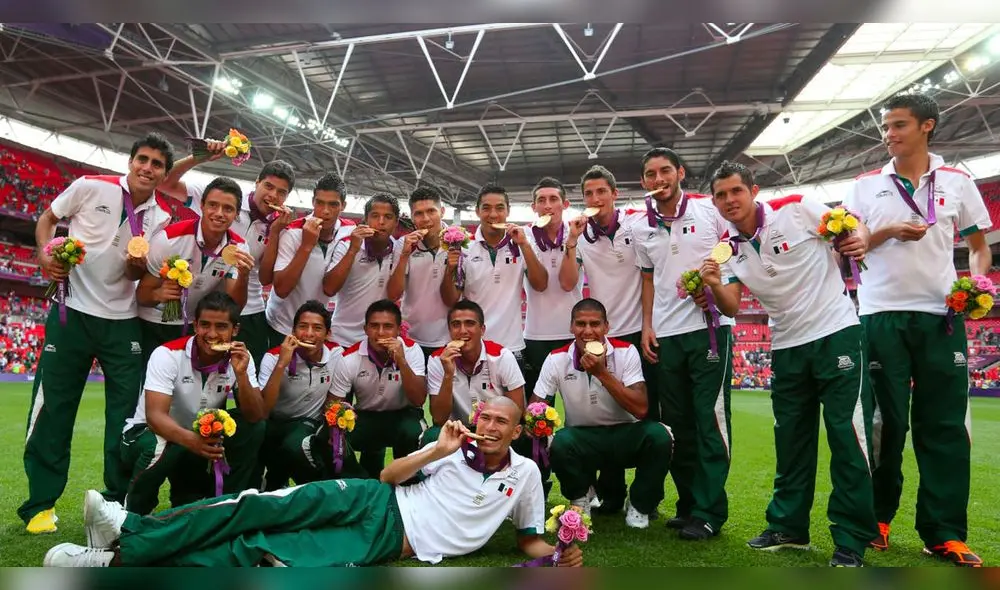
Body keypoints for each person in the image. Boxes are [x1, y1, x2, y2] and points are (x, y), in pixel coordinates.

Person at [42, 398, 583, 568]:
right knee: (256, 505)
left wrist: (556, 557)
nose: (487, 427)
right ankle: (129, 526)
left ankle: (113, 561)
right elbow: (388, 475)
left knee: (262, 554)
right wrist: (437, 450)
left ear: (519, 429)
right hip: (375, 497)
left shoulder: (526, 472)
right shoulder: (451, 448)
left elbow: (528, 538)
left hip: (390, 541)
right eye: (483, 417)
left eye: (499, 423)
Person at [703, 160, 877, 567]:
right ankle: (789, 527)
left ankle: (850, 538)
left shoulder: (798, 207)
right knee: (791, 440)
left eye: (736, 191)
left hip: (836, 332)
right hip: (786, 345)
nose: (729, 201)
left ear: (753, 190)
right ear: (714, 202)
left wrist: (861, 238)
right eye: (721, 195)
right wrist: (713, 283)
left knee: (846, 436)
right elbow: (732, 303)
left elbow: (853, 225)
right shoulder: (726, 248)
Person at [842, 92, 991, 567]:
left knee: (945, 426)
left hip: (941, 316)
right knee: (883, 423)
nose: (889, 135)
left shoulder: (958, 182)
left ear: (927, 126)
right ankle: (876, 520)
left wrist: (979, 284)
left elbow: (979, 247)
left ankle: (944, 532)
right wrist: (888, 232)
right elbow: (849, 244)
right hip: (880, 312)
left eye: (899, 125)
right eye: (886, 127)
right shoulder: (865, 186)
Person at [20, 133, 178, 533]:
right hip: (70, 310)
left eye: (157, 164)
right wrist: (44, 256)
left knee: (125, 416)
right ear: (130, 161)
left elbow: (131, 276)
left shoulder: (161, 219)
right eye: (142, 159)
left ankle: (116, 501)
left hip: (123, 320)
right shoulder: (91, 186)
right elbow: (47, 220)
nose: (147, 167)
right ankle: (41, 505)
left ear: (163, 174)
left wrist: (137, 264)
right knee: (54, 407)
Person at [632, 147, 735, 541]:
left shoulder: (710, 211)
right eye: (650, 174)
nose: (658, 179)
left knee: (710, 423)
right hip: (666, 335)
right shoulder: (642, 226)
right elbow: (647, 279)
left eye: (664, 171)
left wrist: (715, 288)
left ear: (680, 172)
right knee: (678, 427)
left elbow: (732, 254)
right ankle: (689, 504)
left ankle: (709, 512)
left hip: (709, 329)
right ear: (643, 182)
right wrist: (646, 325)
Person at [120, 292, 266, 515]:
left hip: (196, 438)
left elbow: (256, 415)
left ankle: (228, 503)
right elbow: (155, 416)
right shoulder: (167, 354)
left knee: (252, 428)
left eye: (221, 327)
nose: (212, 334)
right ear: (195, 325)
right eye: (205, 325)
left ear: (235, 330)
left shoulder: (240, 358)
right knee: (159, 445)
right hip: (148, 435)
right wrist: (193, 441)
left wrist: (242, 375)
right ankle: (134, 513)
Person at [538, 298, 673, 529]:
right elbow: (536, 407)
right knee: (558, 442)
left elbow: (641, 409)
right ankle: (581, 497)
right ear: (571, 327)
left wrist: (602, 373)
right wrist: (537, 419)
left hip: (625, 435)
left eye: (595, 324)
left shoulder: (626, 351)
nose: (588, 331)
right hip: (582, 438)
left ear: (606, 327)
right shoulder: (556, 358)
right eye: (581, 324)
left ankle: (640, 504)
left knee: (660, 436)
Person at [561, 165, 648, 515]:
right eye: (589, 194)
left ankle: (642, 500)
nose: (595, 199)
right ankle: (611, 494)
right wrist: (570, 242)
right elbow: (568, 282)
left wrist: (648, 326)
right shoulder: (580, 235)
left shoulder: (636, 225)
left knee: (638, 415)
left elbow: (649, 276)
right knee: (604, 410)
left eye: (601, 192)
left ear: (614, 193)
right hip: (598, 333)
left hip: (635, 332)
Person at [158, 147, 296, 367]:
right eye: (268, 186)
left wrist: (277, 231)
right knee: (204, 372)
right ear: (257, 182)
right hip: (211, 309)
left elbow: (265, 278)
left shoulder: (280, 225)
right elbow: (164, 183)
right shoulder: (225, 198)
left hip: (250, 310)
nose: (273, 195)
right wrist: (197, 157)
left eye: (281, 192)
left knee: (250, 379)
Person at [136, 177, 255, 359]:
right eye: (213, 205)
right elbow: (142, 296)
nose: (219, 213)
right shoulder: (168, 239)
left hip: (196, 329)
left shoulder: (238, 248)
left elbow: (236, 305)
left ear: (237, 214)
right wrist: (158, 294)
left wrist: (244, 277)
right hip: (155, 323)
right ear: (202, 205)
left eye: (228, 209)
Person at [311, 299, 426, 478]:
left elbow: (419, 400)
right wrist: (340, 412)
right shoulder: (350, 357)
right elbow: (332, 404)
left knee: (415, 432)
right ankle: (359, 481)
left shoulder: (412, 350)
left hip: (403, 415)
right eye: (374, 326)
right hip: (366, 417)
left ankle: (407, 483)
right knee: (328, 432)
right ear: (365, 329)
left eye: (388, 326)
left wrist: (401, 361)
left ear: (398, 329)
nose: (380, 333)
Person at [440, 184, 548, 368]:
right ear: (477, 211)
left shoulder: (521, 244)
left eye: (499, 208)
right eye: (486, 208)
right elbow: (450, 300)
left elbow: (540, 284)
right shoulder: (465, 248)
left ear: (508, 211)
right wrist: (449, 269)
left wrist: (524, 245)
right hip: (473, 347)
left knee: (514, 398)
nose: (493, 215)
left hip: (512, 347)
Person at [256, 300, 344, 489]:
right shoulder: (272, 357)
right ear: (293, 331)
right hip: (276, 425)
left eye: (317, 328)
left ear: (328, 333)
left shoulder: (336, 354)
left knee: (295, 445)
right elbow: (264, 409)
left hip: (311, 425)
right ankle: (274, 486)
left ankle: (322, 489)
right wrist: (282, 364)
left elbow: (334, 400)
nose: (309, 334)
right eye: (303, 327)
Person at [265, 173, 353, 348]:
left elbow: (330, 289)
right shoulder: (292, 232)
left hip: (316, 331)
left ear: (343, 205)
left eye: (333, 204)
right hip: (282, 326)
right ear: (313, 202)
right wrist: (306, 246)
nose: (325, 211)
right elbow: (281, 289)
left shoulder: (349, 230)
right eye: (320, 203)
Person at [522, 177, 583, 398]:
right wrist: (525, 246)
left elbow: (567, 283)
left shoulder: (577, 232)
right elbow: (539, 284)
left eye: (553, 199)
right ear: (534, 207)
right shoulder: (523, 237)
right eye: (541, 200)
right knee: (538, 405)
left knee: (577, 400)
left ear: (564, 205)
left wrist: (572, 241)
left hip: (572, 332)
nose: (547, 205)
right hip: (536, 334)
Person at [323, 194, 402, 345]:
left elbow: (395, 295)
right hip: (342, 338)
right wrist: (353, 249)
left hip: (379, 340)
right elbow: (329, 289)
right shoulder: (347, 245)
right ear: (366, 219)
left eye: (388, 217)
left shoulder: (398, 249)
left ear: (396, 222)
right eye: (375, 216)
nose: (381, 222)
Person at [387, 186, 451, 360]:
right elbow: (393, 294)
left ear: (442, 211)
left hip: (449, 338)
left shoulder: (459, 240)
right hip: (412, 338)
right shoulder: (403, 244)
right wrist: (405, 254)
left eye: (431, 211)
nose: (426, 219)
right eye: (419, 213)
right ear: (412, 217)